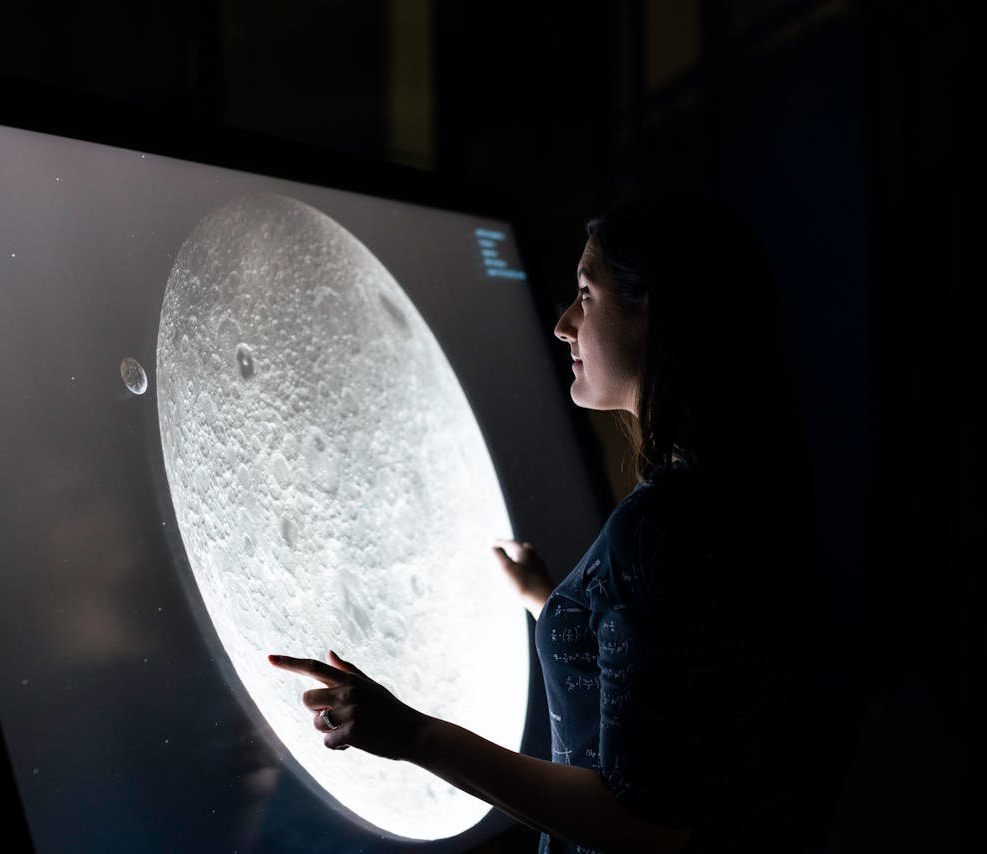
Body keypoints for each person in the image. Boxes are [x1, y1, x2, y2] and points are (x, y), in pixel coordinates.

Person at [269, 196, 811, 853]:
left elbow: (638, 825)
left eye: (586, 294)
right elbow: (671, 689)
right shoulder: (727, 496)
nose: (563, 325)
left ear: (657, 313)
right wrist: (551, 603)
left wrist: (411, 733)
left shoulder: (657, 530)